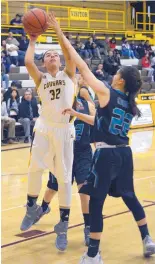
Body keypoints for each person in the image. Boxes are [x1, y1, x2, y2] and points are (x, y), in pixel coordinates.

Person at [48, 12, 155, 263]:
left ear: (119, 80)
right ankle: (147, 238)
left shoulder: (107, 93)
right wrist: (77, 112)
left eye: (117, 72)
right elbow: (99, 121)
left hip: (105, 155)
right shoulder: (129, 103)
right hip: (124, 154)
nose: (113, 73)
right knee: (129, 196)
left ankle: (94, 254)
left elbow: (82, 67)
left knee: (95, 202)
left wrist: (60, 34)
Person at [20, 12, 76, 254]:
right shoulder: (40, 78)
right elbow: (28, 63)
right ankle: (31, 205)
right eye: (48, 55)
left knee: (64, 180)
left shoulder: (69, 75)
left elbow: (68, 52)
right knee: (34, 168)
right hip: (44, 127)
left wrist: (57, 30)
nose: (52, 56)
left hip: (64, 131)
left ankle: (63, 224)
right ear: (45, 63)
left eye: (55, 54)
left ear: (60, 61)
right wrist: (33, 41)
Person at [34, 76, 96, 248]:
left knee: (84, 190)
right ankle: (45, 208)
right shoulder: (55, 103)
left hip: (82, 151)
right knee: (54, 188)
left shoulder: (88, 104)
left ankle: (88, 227)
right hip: (61, 150)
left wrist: (98, 144)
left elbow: (97, 123)